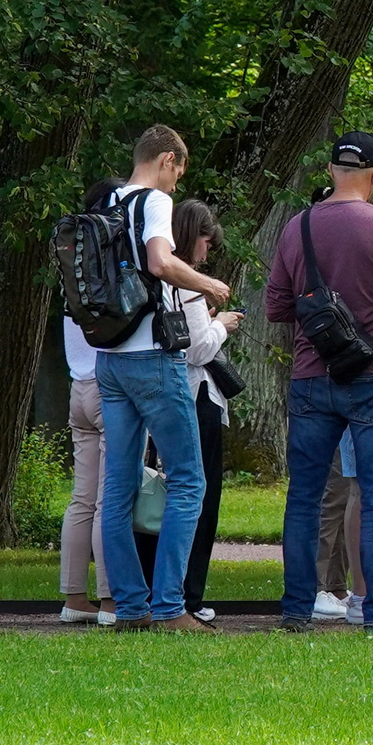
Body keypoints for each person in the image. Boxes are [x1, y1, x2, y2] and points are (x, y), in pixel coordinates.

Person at [266, 130, 373, 633]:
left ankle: (296, 610)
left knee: (305, 496)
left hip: (311, 376)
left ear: (331, 173)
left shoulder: (299, 227)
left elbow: (275, 306)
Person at [97, 124, 236, 632]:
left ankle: (131, 606)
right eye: (179, 172)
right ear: (168, 160)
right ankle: (171, 607)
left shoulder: (107, 202)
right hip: (152, 358)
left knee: (118, 489)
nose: (177, 186)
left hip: (108, 359)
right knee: (188, 481)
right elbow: (160, 263)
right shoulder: (151, 201)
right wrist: (207, 282)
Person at [133, 200, 239, 622]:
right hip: (194, 396)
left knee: (152, 490)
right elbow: (197, 347)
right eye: (206, 242)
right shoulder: (189, 282)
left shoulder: (150, 274)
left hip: (156, 392)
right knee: (197, 493)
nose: (207, 252)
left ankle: (148, 591)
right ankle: (187, 595)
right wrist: (222, 325)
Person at [57, 175, 125, 626]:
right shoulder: (113, 260)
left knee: (82, 499)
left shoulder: (74, 262)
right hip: (107, 386)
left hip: (77, 386)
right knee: (109, 498)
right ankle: (109, 600)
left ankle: (73, 596)